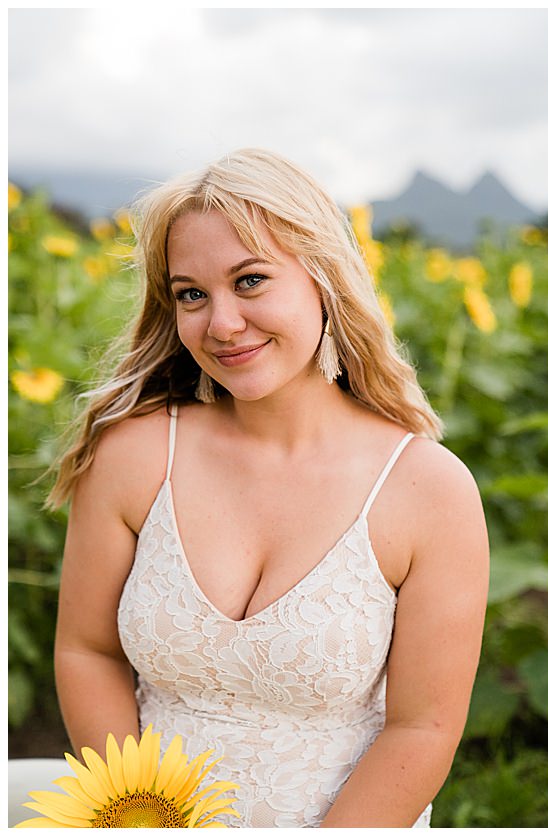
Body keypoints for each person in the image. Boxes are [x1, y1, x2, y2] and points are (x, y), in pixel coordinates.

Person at [46, 149, 488, 827]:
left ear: (324, 280)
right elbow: (87, 651)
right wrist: (133, 815)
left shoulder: (429, 490)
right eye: (192, 293)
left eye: (250, 281)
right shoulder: (134, 454)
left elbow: (423, 728)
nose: (220, 324)